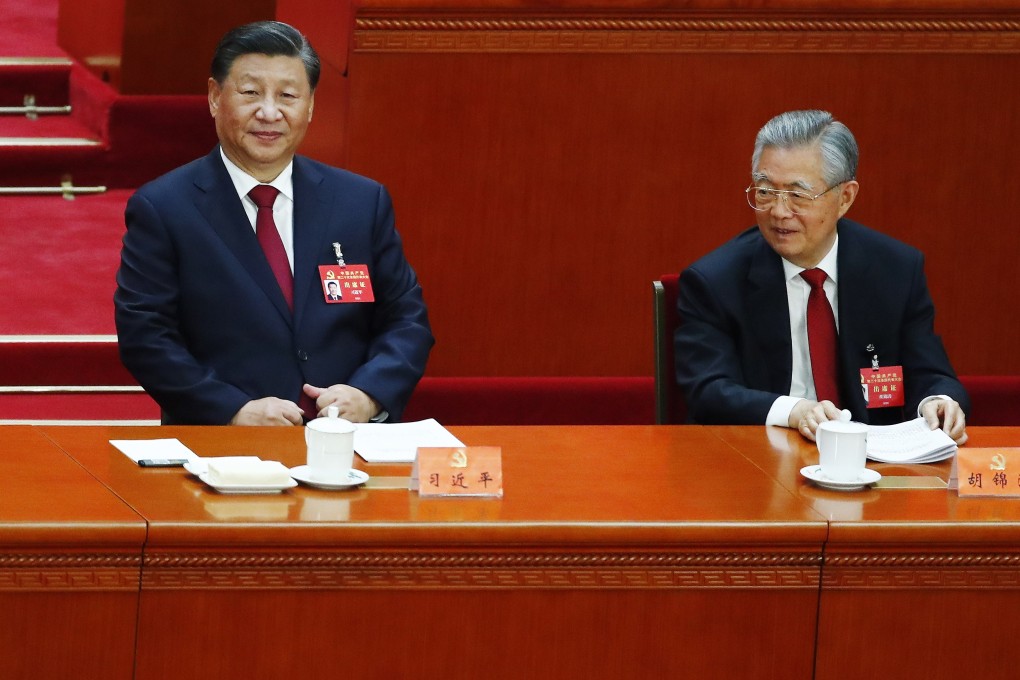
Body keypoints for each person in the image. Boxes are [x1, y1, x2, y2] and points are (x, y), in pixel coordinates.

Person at [115, 21, 433, 426]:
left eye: (287, 95)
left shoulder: (360, 201)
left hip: (345, 443)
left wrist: (369, 394)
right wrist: (232, 409)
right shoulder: (164, 207)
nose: (269, 112)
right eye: (250, 93)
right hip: (220, 448)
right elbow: (146, 337)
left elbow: (406, 318)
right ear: (215, 97)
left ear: (311, 105)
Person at [674, 109, 968, 444]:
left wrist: (939, 402)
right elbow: (708, 391)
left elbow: (930, 372)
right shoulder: (714, 281)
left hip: (872, 463)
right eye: (766, 191)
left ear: (845, 197)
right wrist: (794, 411)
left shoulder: (896, 270)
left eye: (798, 195)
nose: (779, 211)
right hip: (759, 461)